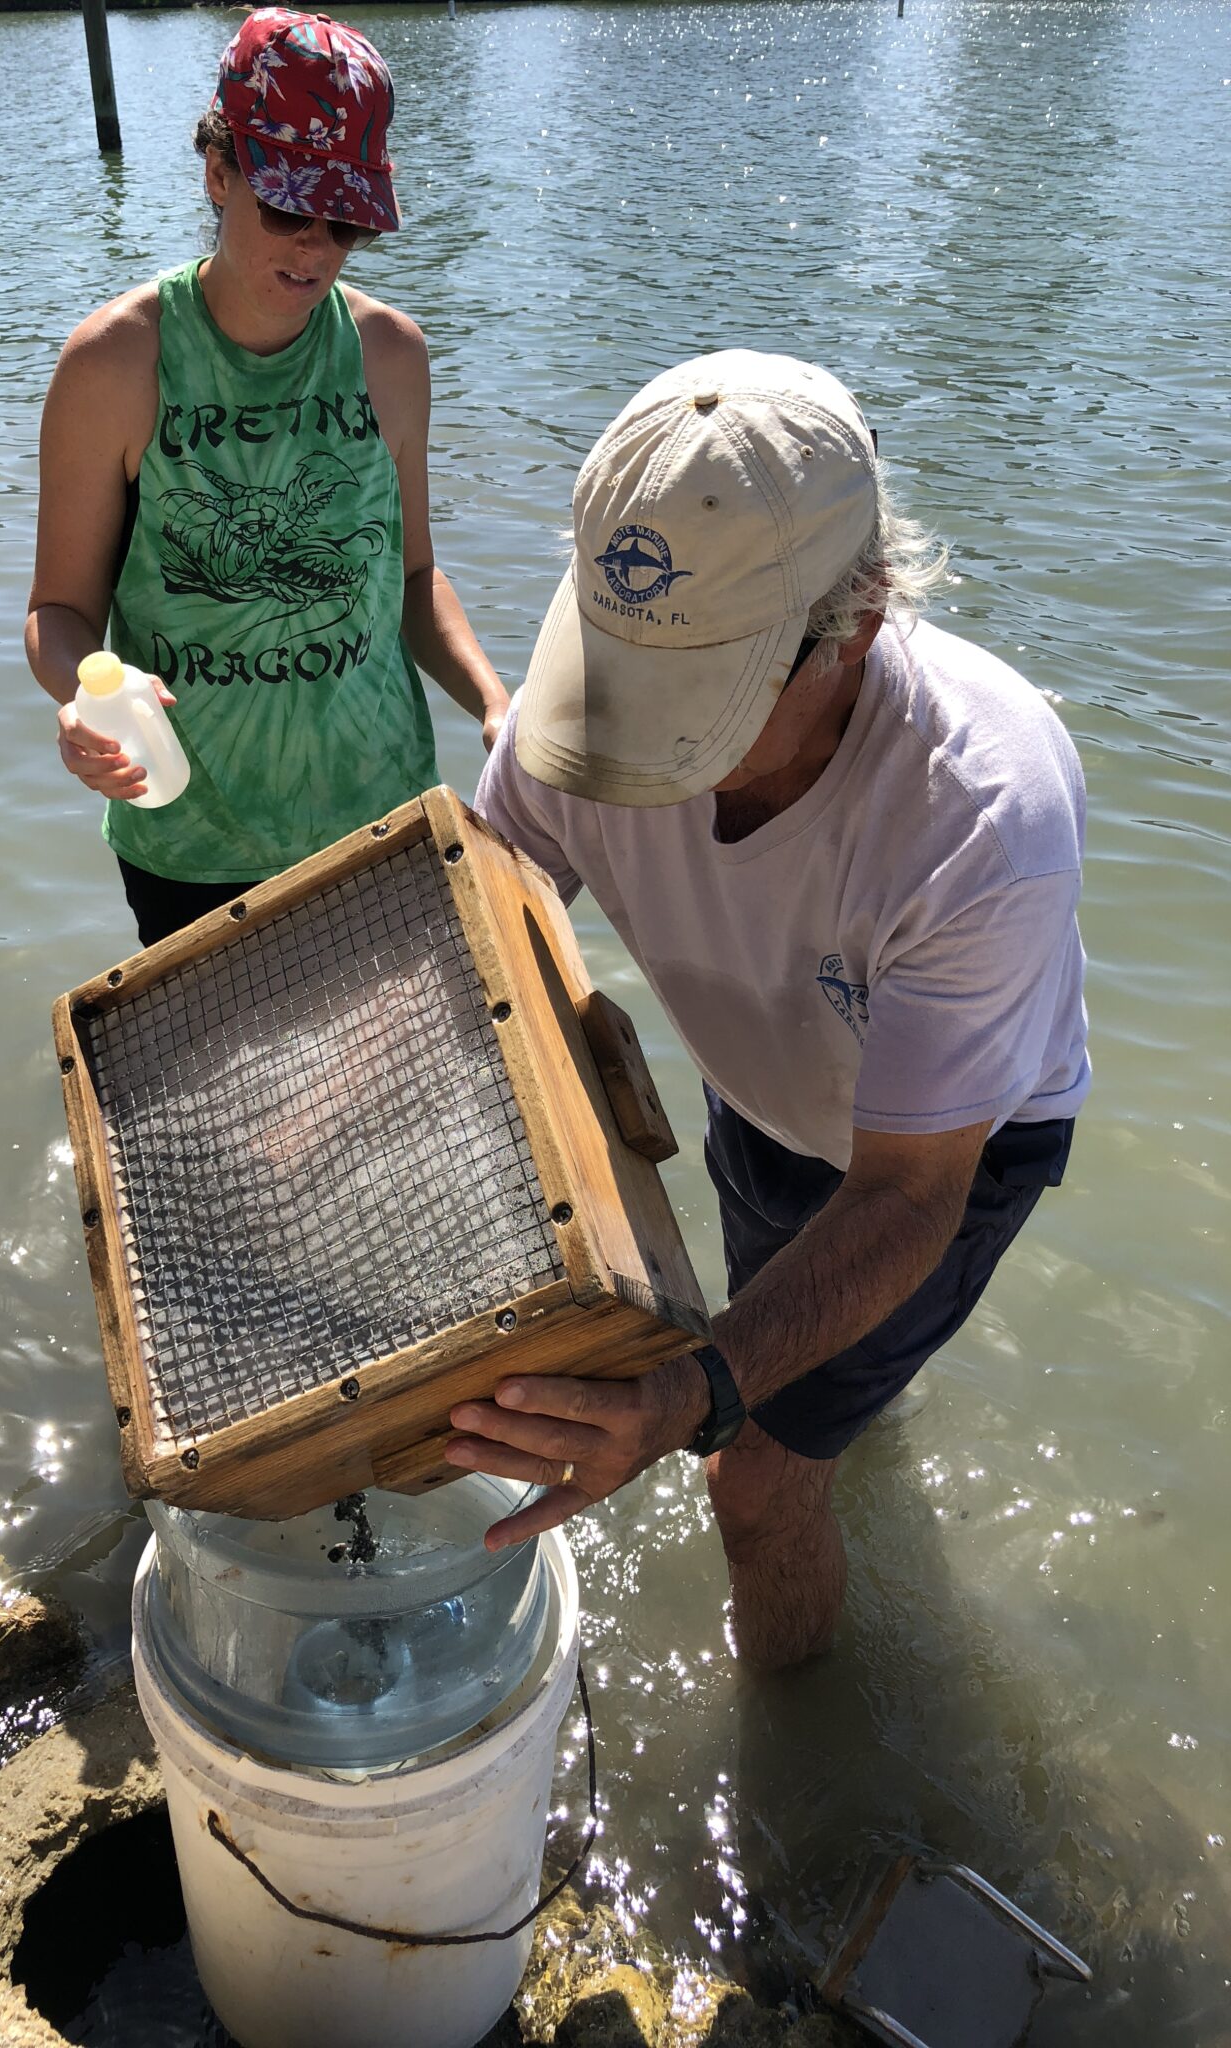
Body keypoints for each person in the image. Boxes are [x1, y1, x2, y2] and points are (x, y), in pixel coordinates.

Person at [450, 350, 1090, 1670]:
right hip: (759, 1084)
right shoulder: (581, 718)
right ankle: (846, 1409)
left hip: (949, 1153)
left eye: (695, 700)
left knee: (748, 1475)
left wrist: (696, 1392)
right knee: (780, 1346)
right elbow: (480, 939)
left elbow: (908, 1194)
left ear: (856, 619)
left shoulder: (980, 814)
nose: (633, 747)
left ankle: (796, 1748)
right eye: (622, 675)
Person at [26, 8, 508, 948]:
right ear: (219, 172)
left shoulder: (391, 356)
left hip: (382, 815)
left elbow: (412, 578)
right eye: (287, 208)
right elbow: (58, 613)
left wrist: (497, 705)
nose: (315, 248)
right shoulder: (115, 363)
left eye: (347, 222)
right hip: (191, 841)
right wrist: (86, 697)